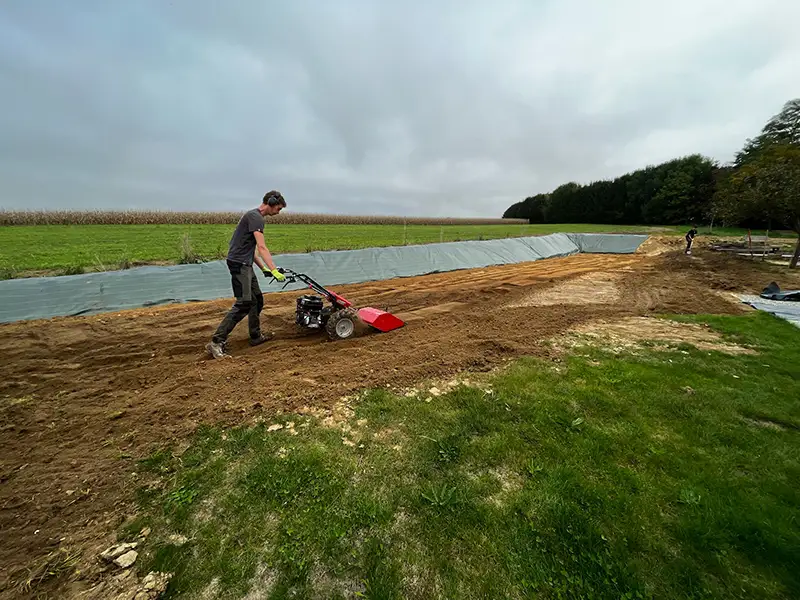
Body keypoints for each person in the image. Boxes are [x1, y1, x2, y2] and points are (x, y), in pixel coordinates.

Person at [206, 191, 287, 359]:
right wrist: (273, 269)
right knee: (244, 303)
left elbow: (251, 249)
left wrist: (263, 268)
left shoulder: (254, 217)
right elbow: (262, 247)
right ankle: (216, 342)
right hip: (239, 264)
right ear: (271, 203)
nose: (278, 212)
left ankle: (255, 336)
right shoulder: (256, 217)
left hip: (246, 263)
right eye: (278, 208)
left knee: (257, 299)